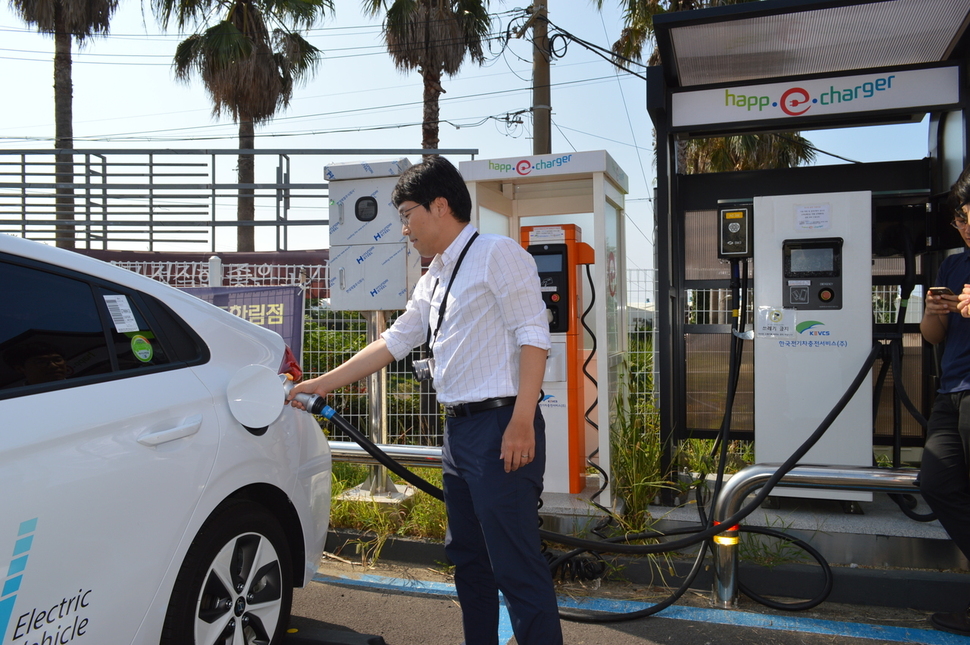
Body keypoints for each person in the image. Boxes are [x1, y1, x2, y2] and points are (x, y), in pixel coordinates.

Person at [289, 156, 563, 645]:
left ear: (440, 206)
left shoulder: (497, 254)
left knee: (517, 567)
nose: (403, 229)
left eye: (407, 214)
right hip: (459, 433)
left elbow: (533, 335)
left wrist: (523, 419)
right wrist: (322, 382)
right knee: (470, 563)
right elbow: (395, 341)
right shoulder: (433, 277)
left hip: (501, 426)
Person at [920, 164, 970, 635]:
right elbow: (933, 335)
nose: (965, 226)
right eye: (961, 218)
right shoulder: (954, 264)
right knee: (935, 482)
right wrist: (935, 313)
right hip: (951, 391)